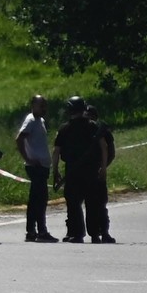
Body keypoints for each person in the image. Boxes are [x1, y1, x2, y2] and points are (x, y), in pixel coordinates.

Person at [51, 96, 102, 243]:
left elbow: (56, 151)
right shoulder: (93, 126)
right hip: (91, 170)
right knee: (92, 203)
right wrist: (102, 167)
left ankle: (76, 233)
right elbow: (103, 147)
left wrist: (55, 171)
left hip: (72, 171)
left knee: (73, 203)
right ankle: (95, 233)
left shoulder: (64, 129)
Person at [15, 95, 57, 242]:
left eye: (45, 105)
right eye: (41, 106)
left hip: (43, 167)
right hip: (36, 167)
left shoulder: (41, 121)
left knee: (39, 200)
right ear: (33, 106)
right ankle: (38, 231)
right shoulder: (31, 120)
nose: (44, 109)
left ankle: (34, 231)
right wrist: (28, 159)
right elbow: (20, 138)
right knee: (38, 200)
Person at [86, 103, 117, 243]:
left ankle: (104, 232)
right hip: (86, 172)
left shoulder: (101, 130)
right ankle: (94, 234)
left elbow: (110, 151)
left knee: (100, 204)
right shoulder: (81, 129)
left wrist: (103, 167)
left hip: (98, 172)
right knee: (91, 205)